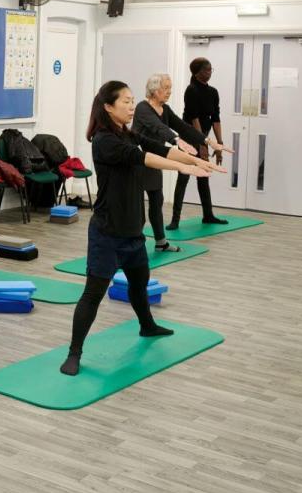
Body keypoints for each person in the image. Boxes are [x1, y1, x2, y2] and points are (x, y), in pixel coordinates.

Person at [60, 81, 225, 376]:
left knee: (139, 283)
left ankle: (147, 326)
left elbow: (157, 147)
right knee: (92, 294)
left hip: (133, 229)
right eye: (125, 100)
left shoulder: (126, 132)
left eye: (132, 99)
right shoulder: (103, 140)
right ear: (108, 106)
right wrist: (184, 169)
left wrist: (197, 159)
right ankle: (74, 352)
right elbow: (142, 157)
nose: (131, 104)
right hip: (107, 232)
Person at [132, 73, 232, 252]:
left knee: (157, 201)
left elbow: (184, 127)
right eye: (166, 88)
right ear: (154, 90)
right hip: (137, 162)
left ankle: (161, 242)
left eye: (170, 88)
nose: (169, 92)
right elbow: (158, 127)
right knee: (136, 208)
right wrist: (176, 140)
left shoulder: (166, 109)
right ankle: (132, 244)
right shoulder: (142, 108)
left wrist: (208, 141)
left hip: (156, 161)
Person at [168, 58, 228, 229]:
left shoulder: (213, 92)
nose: (209, 73)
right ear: (197, 72)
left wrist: (219, 145)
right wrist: (201, 144)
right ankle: (175, 219)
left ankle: (208, 215)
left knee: (204, 176)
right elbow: (194, 119)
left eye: (211, 69)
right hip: (189, 138)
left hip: (204, 137)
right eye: (206, 70)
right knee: (184, 176)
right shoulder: (191, 90)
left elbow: (215, 118)